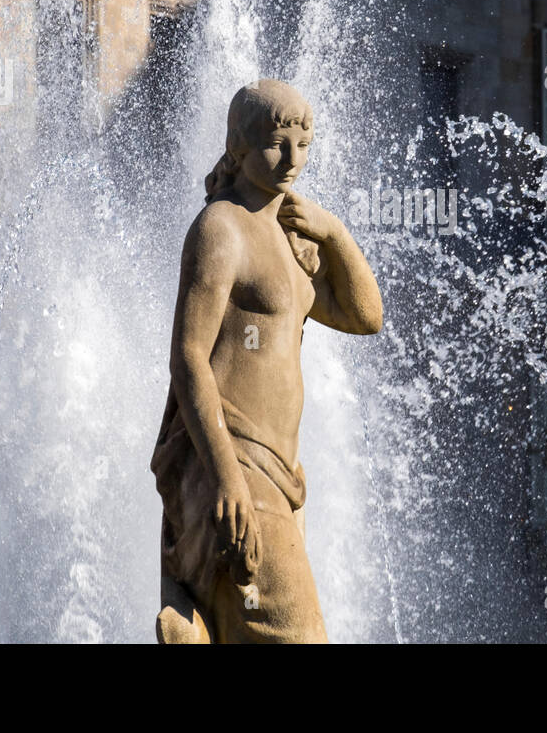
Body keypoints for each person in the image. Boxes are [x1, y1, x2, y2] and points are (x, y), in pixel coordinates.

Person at [152, 79, 382, 643]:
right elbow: (187, 359)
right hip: (237, 469)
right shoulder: (221, 229)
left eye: (304, 146)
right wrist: (225, 477)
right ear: (238, 146)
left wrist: (334, 232)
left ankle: (193, 623)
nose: (292, 160)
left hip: (279, 480)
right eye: (278, 143)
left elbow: (365, 315)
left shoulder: (291, 240)